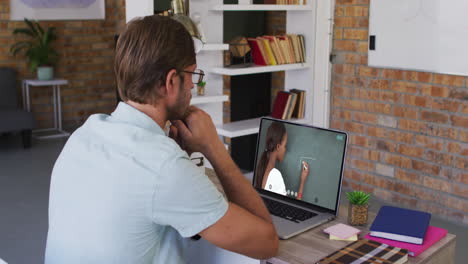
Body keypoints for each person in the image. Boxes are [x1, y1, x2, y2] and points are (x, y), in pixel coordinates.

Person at [45, 15, 278, 264]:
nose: (192, 86)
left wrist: (176, 158)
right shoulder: (163, 166)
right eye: (191, 75)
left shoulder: (83, 134)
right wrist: (213, 148)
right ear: (170, 81)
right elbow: (266, 243)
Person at [255, 122, 310, 200]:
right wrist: (302, 182)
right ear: (278, 146)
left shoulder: (262, 167)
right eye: (285, 146)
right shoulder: (275, 175)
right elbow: (292, 211)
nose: (286, 150)